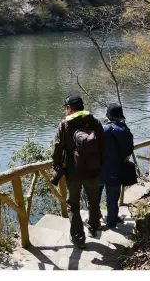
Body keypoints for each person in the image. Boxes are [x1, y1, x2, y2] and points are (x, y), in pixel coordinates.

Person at [52, 94, 105, 248]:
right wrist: (99, 163)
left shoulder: (64, 125)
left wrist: (56, 164)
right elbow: (102, 144)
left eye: (66, 108)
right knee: (93, 201)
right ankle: (94, 229)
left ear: (70, 108)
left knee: (73, 205)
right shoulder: (94, 121)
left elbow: (57, 147)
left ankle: (78, 239)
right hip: (94, 170)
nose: (65, 111)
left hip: (73, 172)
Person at [99, 103, 134, 230]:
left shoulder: (104, 129)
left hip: (100, 169)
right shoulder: (126, 130)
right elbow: (129, 151)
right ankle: (112, 222)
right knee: (113, 199)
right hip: (116, 170)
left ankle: (95, 219)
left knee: (95, 196)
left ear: (108, 115)